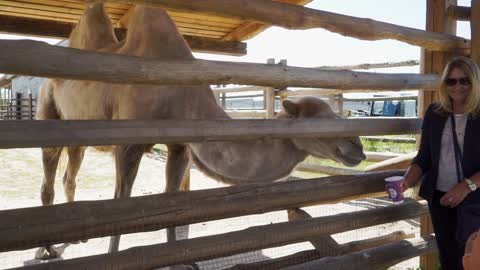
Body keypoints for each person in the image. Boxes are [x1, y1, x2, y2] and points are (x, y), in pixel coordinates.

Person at [401, 56, 480, 270]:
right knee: (448, 258)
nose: (458, 86)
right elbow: (424, 156)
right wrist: (406, 180)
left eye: (464, 80)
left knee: (473, 258)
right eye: (451, 81)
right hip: (440, 198)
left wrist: (466, 186)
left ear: (474, 82)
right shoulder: (435, 113)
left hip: (474, 198)